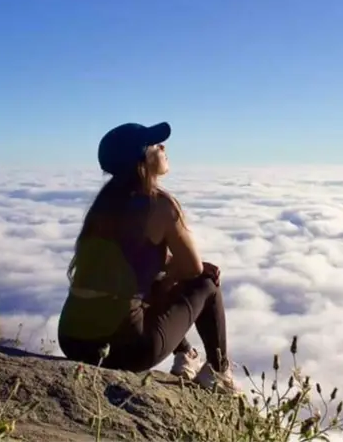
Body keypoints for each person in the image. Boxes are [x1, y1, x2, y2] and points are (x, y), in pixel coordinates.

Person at [56, 121, 236, 392]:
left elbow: (132, 261)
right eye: (155, 144)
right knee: (207, 282)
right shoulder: (159, 204)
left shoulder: (103, 206)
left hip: (72, 341)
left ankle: (185, 354)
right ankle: (219, 373)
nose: (163, 147)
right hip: (127, 350)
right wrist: (172, 279)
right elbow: (193, 267)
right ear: (142, 159)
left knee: (155, 279)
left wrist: (165, 275)